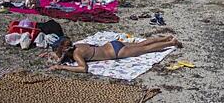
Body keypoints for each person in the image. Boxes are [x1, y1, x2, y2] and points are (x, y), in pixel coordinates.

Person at [46, 35, 181, 73]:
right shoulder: (77, 45)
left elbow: (83, 68)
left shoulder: (76, 54)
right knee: (142, 44)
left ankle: (171, 43)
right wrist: (51, 56)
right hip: (112, 44)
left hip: (116, 52)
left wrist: (61, 67)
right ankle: (165, 38)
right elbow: (60, 56)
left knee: (147, 49)